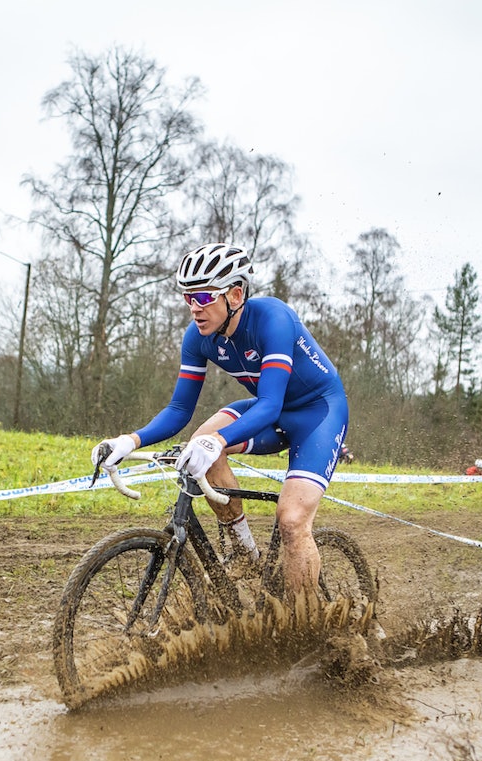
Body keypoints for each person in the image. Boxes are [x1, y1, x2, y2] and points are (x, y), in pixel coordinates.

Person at [92, 242, 349, 600]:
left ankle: (304, 621)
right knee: (202, 436)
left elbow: (271, 404)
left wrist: (217, 442)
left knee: (291, 521)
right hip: (268, 409)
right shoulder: (198, 337)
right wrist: (129, 440)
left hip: (317, 413)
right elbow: (179, 409)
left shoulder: (273, 319)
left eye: (203, 297)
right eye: (188, 298)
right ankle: (244, 551)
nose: (194, 308)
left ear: (236, 294)